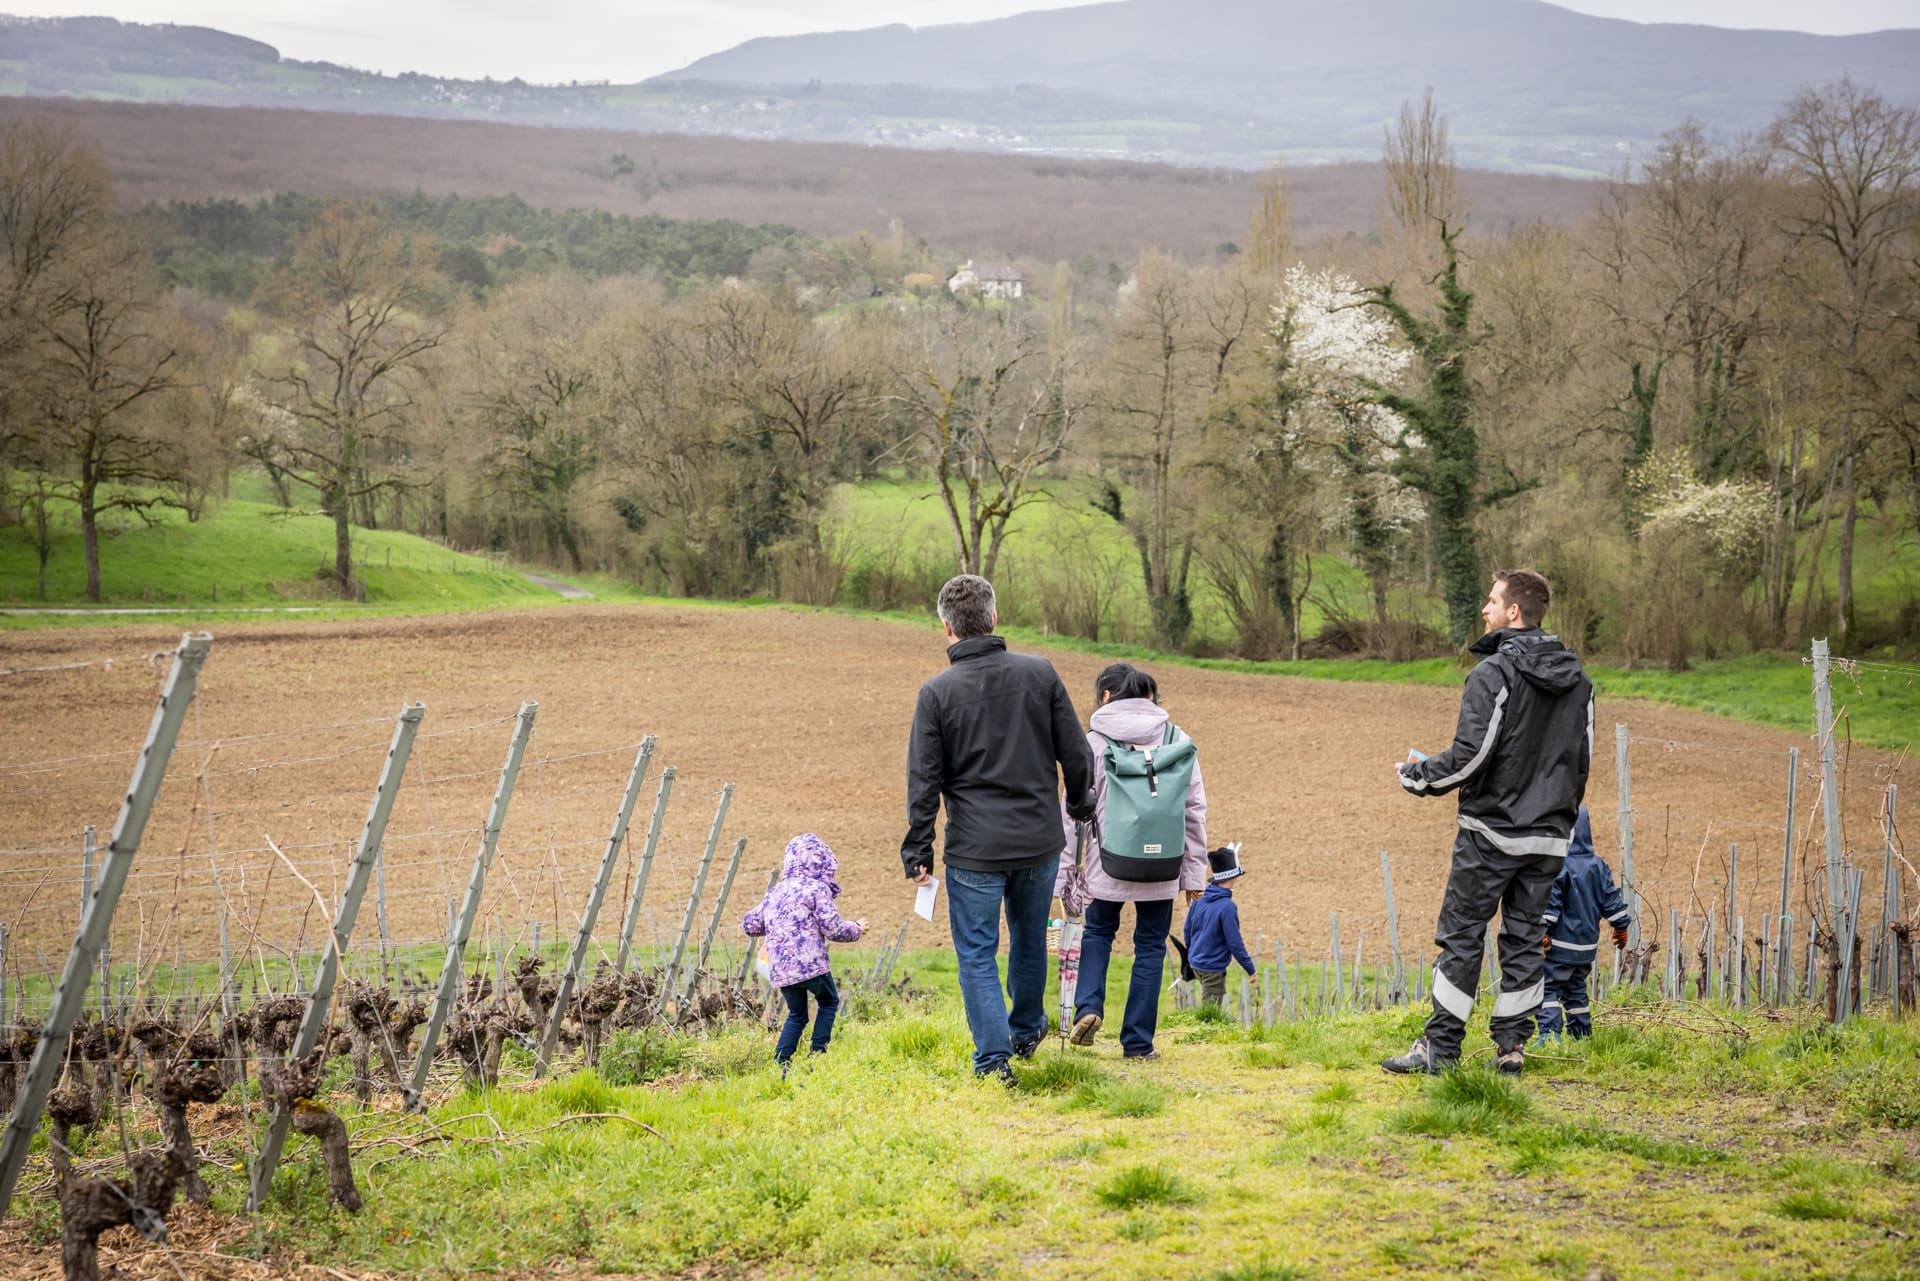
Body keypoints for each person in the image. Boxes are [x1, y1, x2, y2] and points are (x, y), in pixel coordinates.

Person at [1383, 568, 1594, 1078]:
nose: (1485, 608)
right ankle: (1512, 1049)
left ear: (1513, 612)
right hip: (1549, 836)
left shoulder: (1492, 673)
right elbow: (1581, 762)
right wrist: (1560, 820)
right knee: (1524, 938)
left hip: (1490, 833)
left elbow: (1470, 758)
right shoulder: (1580, 681)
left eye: (1493, 601)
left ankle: (1439, 1049)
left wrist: (1416, 776)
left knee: (1462, 935)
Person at [901, 574, 1096, 1083]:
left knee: (976, 953)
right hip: (1039, 841)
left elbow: (924, 780)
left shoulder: (936, 694)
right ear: (993, 618)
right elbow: (1077, 753)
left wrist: (918, 848)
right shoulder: (1040, 674)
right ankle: (1026, 1030)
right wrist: (1080, 803)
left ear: (947, 628)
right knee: (1030, 939)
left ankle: (993, 1059)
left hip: (975, 850)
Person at [1058, 663, 1207, 1060]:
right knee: (1151, 946)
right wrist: (1193, 875)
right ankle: (1138, 1044)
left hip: (1106, 863)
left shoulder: (1093, 743)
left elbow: (1071, 813)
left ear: (1106, 696)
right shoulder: (1179, 739)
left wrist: (1064, 877)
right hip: (1163, 866)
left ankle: (1088, 1009)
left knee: (1097, 934)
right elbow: (1194, 811)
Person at [743, 833, 867, 1071]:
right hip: (811, 965)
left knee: (797, 1015)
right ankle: (817, 1054)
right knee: (829, 1001)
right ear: (821, 862)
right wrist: (857, 928)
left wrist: (777, 925)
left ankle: (780, 1063)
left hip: (782, 969)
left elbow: (750, 924)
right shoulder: (816, 889)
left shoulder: (775, 892)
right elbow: (834, 929)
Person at [1538, 806, 1632, 1041]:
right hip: (1585, 948)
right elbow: (1612, 902)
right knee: (1575, 990)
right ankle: (1580, 1035)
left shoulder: (1558, 865)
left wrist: (1541, 932)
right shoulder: (1599, 866)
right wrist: (1621, 928)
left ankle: (1549, 1036)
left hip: (1558, 945)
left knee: (1547, 987)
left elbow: (1551, 905)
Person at [1183, 845, 1254, 1006]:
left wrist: (1193, 953)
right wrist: (1250, 969)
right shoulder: (1227, 907)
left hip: (1196, 963)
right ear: (1233, 877)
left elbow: (1187, 929)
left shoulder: (1199, 898)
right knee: (1211, 1012)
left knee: (1208, 1007)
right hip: (1212, 968)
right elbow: (1234, 943)